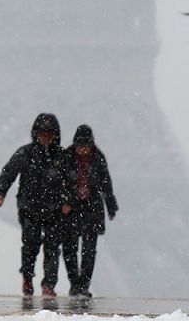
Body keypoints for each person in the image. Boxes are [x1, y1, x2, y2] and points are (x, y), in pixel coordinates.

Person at [0, 113, 72, 298]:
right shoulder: (25, 153)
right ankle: (28, 277)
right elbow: (9, 172)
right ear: (35, 133)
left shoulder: (61, 156)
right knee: (31, 245)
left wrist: (67, 201)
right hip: (30, 208)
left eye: (49, 132)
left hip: (53, 208)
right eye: (42, 132)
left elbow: (71, 181)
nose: (45, 136)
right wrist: (0, 192)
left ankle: (48, 284)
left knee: (52, 248)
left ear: (55, 134)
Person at [62, 125, 118, 298]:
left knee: (88, 249)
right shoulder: (67, 157)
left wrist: (110, 205)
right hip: (72, 208)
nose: (83, 150)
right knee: (70, 248)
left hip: (91, 207)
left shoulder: (98, 158)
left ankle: (83, 285)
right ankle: (74, 283)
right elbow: (60, 182)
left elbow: (106, 183)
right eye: (80, 146)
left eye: (86, 146)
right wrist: (67, 201)